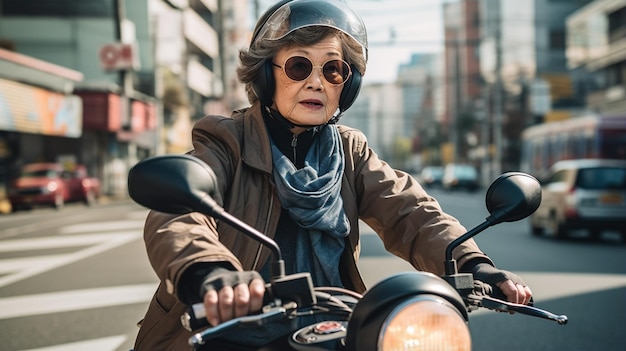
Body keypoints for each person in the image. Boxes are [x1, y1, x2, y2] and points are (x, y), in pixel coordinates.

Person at [132, 0, 532, 349]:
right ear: (266, 76)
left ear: (349, 85)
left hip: (329, 326)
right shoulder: (226, 141)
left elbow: (412, 213)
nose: (316, 82)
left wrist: (474, 264)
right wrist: (210, 272)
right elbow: (180, 215)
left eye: (334, 70)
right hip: (222, 331)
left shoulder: (349, 151)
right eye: (299, 66)